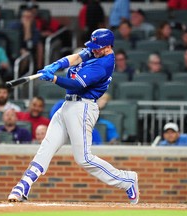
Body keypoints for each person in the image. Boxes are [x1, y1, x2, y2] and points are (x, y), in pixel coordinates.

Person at [8, 29, 139, 204]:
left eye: (97, 47)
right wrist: (56, 64)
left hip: (83, 107)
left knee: (84, 158)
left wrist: (54, 78)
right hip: (68, 105)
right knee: (47, 146)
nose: (93, 50)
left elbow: (76, 84)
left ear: (108, 47)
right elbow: (76, 57)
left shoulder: (104, 64)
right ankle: (23, 185)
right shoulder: (96, 52)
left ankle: (127, 180)